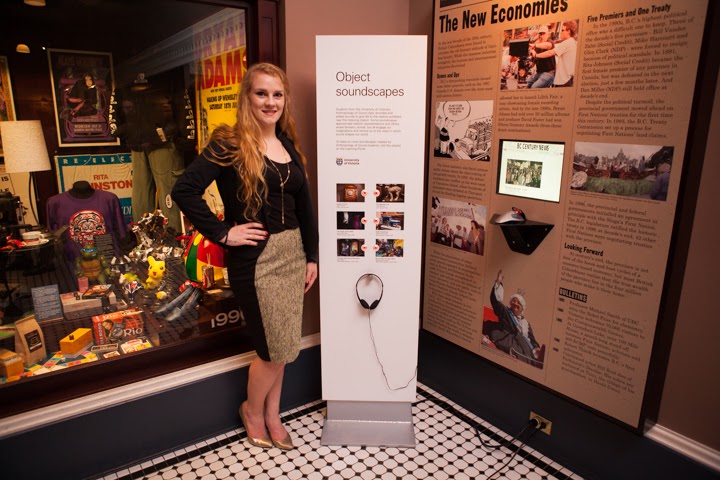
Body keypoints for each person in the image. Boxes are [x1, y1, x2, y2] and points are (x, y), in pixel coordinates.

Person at [172, 63, 318, 451]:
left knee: (285, 343)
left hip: (293, 254)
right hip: (256, 260)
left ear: (284, 100)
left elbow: (305, 206)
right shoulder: (230, 142)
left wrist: (312, 257)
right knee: (273, 350)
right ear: (246, 97)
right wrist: (223, 232)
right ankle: (252, 411)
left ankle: (274, 414)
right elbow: (184, 190)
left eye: (277, 94)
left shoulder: (287, 142)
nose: (270, 102)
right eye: (262, 93)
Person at [484, 270, 543, 368]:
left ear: (522, 308)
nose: (515, 303)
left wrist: (537, 349)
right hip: (509, 339)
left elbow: (532, 339)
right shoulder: (506, 312)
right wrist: (498, 283)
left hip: (526, 347)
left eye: (518, 303)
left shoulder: (526, 323)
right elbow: (496, 303)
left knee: (531, 355)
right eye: (514, 301)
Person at [533, 21, 578, 87]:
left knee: (534, 87)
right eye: (540, 34)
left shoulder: (566, 43)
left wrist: (536, 55)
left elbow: (550, 52)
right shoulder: (572, 43)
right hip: (566, 79)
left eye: (562, 30)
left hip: (563, 81)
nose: (561, 33)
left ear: (568, 31)